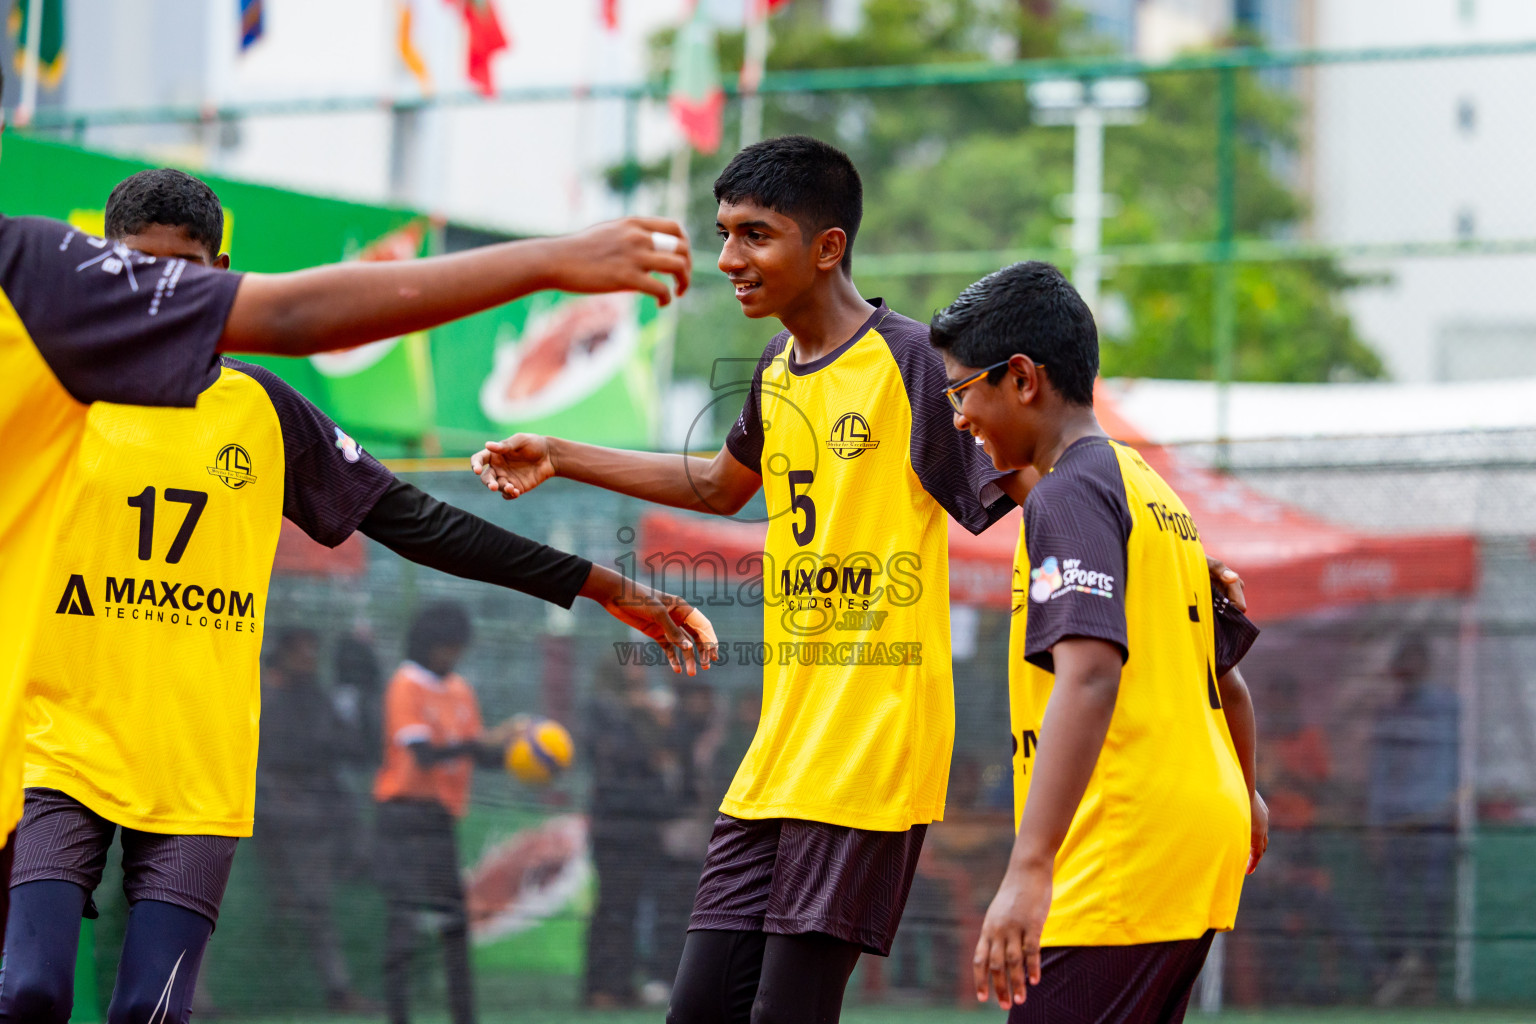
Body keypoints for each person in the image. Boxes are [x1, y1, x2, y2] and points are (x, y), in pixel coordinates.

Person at [472, 137, 1248, 1024]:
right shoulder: (773, 371)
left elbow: (1038, 476)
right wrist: (563, 454)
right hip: (778, 753)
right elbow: (720, 487)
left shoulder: (918, 362)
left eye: (755, 235)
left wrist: (1157, 559)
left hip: (871, 750)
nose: (729, 258)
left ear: (828, 247)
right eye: (724, 234)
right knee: (697, 1012)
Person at [0, 51, 693, 943]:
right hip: (58, 754)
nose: (155, 304)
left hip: (196, 769)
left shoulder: (246, 401)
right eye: (138, 277)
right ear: (106, 266)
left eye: (182, 281)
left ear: (219, 272)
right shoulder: (66, 383)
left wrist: (597, 582)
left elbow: (416, 521)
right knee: (30, 992)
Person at [930, 260, 1268, 1024]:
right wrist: (1244, 793)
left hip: (1123, 853)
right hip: (1189, 844)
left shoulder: (1069, 494)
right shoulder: (1148, 486)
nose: (957, 417)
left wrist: (1028, 867)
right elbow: (1227, 679)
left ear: (1021, 378)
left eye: (961, 392)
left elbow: (1088, 678)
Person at [372, 601, 518, 1024]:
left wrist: (518, 749)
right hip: (402, 817)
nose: (451, 655)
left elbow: (478, 756)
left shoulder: (460, 690)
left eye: (457, 647)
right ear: (427, 643)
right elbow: (422, 755)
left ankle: (464, 1016)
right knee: (403, 923)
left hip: (440, 821)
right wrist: (481, 745)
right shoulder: (406, 683)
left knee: (454, 924)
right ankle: (398, 1015)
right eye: (445, 646)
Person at [254, 628, 369, 1011]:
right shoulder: (265, 695)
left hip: (314, 819)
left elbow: (350, 746)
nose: (309, 658)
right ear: (283, 653)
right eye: (301, 650)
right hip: (272, 816)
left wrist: (350, 708)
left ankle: (338, 990)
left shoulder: (318, 698)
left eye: (312, 650)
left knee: (315, 905)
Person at [1367, 635, 1458, 1006]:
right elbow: (1379, 773)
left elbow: (1457, 762)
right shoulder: (1389, 714)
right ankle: (1399, 969)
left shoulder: (1448, 708)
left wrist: (1455, 805)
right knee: (1395, 899)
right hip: (1397, 821)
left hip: (1435, 818)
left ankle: (1426, 972)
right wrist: (1375, 822)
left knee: (1435, 897)